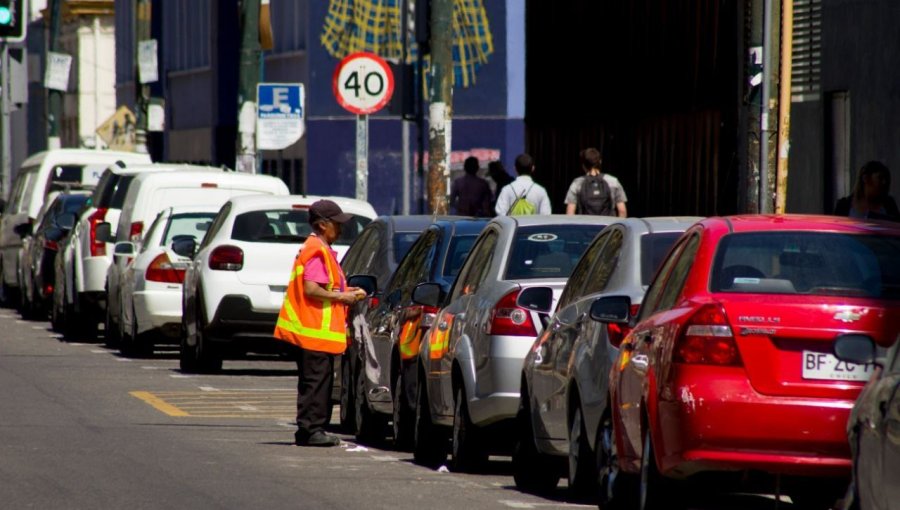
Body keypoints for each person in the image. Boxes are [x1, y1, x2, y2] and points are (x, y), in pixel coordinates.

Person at [274, 199, 367, 447]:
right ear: (323, 225)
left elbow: (325, 285)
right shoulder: (317, 250)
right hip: (313, 331)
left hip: (315, 332)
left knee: (315, 381)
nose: (341, 228)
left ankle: (309, 430)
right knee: (317, 383)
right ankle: (312, 430)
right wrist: (343, 297)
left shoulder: (320, 248)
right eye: (337, 224)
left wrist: (348, 290)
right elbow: (311, 288)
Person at [565, 147, 627, 217]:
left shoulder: (577, 183)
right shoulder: (613, 181)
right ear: (600, 162)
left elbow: (570, 211)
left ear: (583, 166)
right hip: (608, 225)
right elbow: (622, 210)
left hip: (586, 226)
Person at [833, 160, 899, 221]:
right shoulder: (844, 206)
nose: (884, 182)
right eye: (880, 178)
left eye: (886, 179)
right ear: (865, 178)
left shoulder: (889, 205)